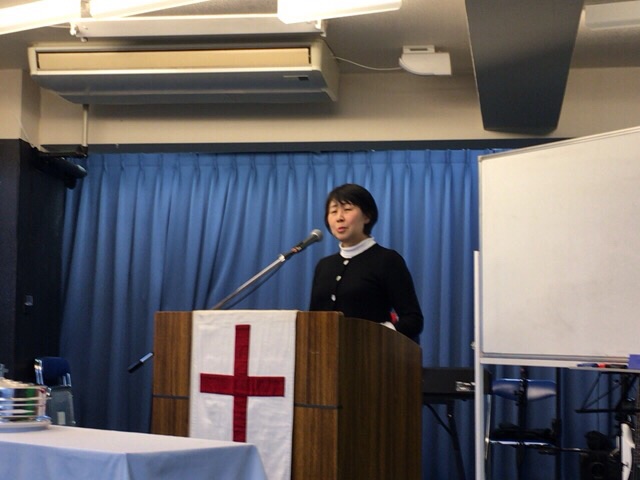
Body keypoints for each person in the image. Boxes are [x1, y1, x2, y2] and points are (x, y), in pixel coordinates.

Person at [309, 183, 423, 340]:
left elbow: (413, 320)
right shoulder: (324, 266)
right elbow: (313, 320)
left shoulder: (387, 260)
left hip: (371, 351)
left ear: (367, 216)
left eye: (347, 210)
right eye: (333, 211)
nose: (339, 217)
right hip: (324, 352)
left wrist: (375, 334)